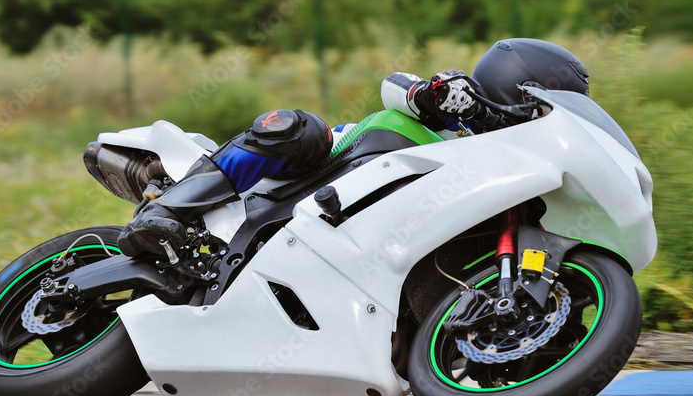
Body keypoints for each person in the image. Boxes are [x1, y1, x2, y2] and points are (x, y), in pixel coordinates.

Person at [117, 38, 590, 258]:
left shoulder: (509, 173)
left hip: (366, 239)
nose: (547, 121)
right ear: (523, 89)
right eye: (546, 108)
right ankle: (171, 210)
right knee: (297, 127)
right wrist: (436, 95)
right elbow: (394, 86)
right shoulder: (455, 104)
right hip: (323, 171)